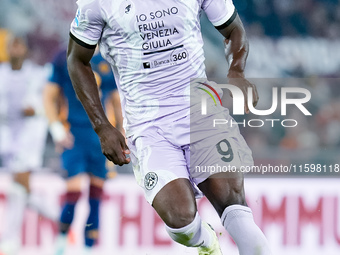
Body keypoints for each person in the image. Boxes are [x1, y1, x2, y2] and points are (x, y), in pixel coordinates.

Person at [66, 0, 272, 254]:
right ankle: (206, 242)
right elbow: (77, 60)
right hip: (148, 126)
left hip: (202, 114)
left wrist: (237, 71)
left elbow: (234, 30)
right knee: (181, 221)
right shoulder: (97, 3)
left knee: (235, 206)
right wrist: (102, 126)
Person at [43, 47, 122, 255]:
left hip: (100, 139)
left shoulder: (106, 57)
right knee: (74, 192)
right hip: (73, 135)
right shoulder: (63, 56)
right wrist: (56, 128)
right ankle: (61, 242)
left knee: (96, 197)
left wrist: (121, 133)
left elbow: (115, 100)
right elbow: (48, 95)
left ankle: (88, 250)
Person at [0, 34, 49, 255]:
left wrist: (36, 109)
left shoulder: (38, 75)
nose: (15, 48)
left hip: (29, 137)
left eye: (19, 44)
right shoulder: (2, 74)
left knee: (18, 185)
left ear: (26, 50)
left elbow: (49, 103)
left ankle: (11, 240)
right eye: (13, 45)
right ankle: (61, 220)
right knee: (21, 189)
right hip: (8, 136)